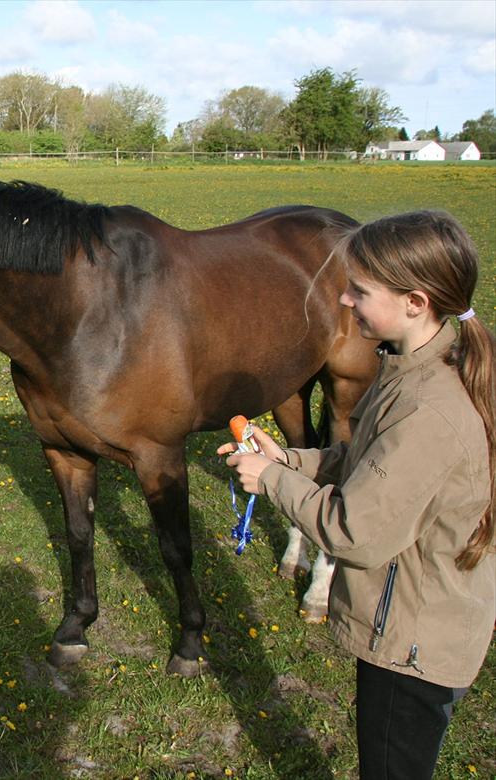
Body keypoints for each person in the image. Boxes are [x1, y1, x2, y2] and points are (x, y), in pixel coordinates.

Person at [221, 210, 495, 779]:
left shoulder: (428, 410)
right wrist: (290, 460)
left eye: (360, 291)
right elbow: (364, 461)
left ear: (415, 302)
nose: (344, 301)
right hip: (409, 626)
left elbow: (356, 532)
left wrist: (271, 481)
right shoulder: (408, 370)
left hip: (414, 645)